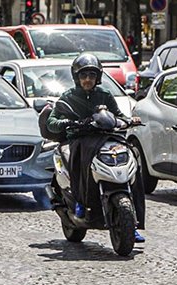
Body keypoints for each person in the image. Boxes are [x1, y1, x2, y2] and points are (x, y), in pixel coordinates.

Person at [45, 53, 144, 243]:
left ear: (97, 77)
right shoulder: (68, 97)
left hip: (105, 137)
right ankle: (80, 203)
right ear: (77, 78)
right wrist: (66, 122)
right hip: (81, 140)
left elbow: (118, 114)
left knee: (133, 158)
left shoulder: (105, 94)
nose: (88, 79)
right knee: (81, 161)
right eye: (83, 76)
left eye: (91, 75)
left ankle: (134, 221)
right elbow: (52, 122)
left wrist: (128, 120)